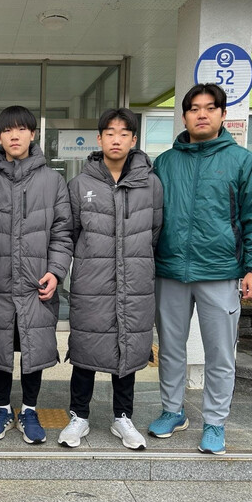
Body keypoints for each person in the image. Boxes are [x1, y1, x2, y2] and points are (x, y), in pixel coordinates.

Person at [148, 83, 252, 454]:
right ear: (184, 116)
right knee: (170, 348)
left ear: (222, 114)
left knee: (220, 353)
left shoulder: (242, 161)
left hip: (220, 271)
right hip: (170, 270)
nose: (201, 114)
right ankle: (173, 411)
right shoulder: (165, 163)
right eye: (194, 108)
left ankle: (215, 422)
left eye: (210, 108)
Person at [58, 108, 163, 450]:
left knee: (128, 345)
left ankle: (123, 417)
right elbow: (70, 233)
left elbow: (155, 232)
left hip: (135, 280)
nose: (116, 139)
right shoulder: (80, 184)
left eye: (124, 133)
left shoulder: (151, 184)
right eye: (110, 133)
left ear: (134, 140)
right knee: (86, 347)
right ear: (99, 138)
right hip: (93, 281)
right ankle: (79, 416)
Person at [0, 105, 72, 444]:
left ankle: (29, 410)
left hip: (36, 283)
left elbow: (62, 231)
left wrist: (56, 271)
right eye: (7, 130)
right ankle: (2, 409)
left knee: (35, 347)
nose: (14, 136)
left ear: (33, 134)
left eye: (21, 129)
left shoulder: (53, 181)